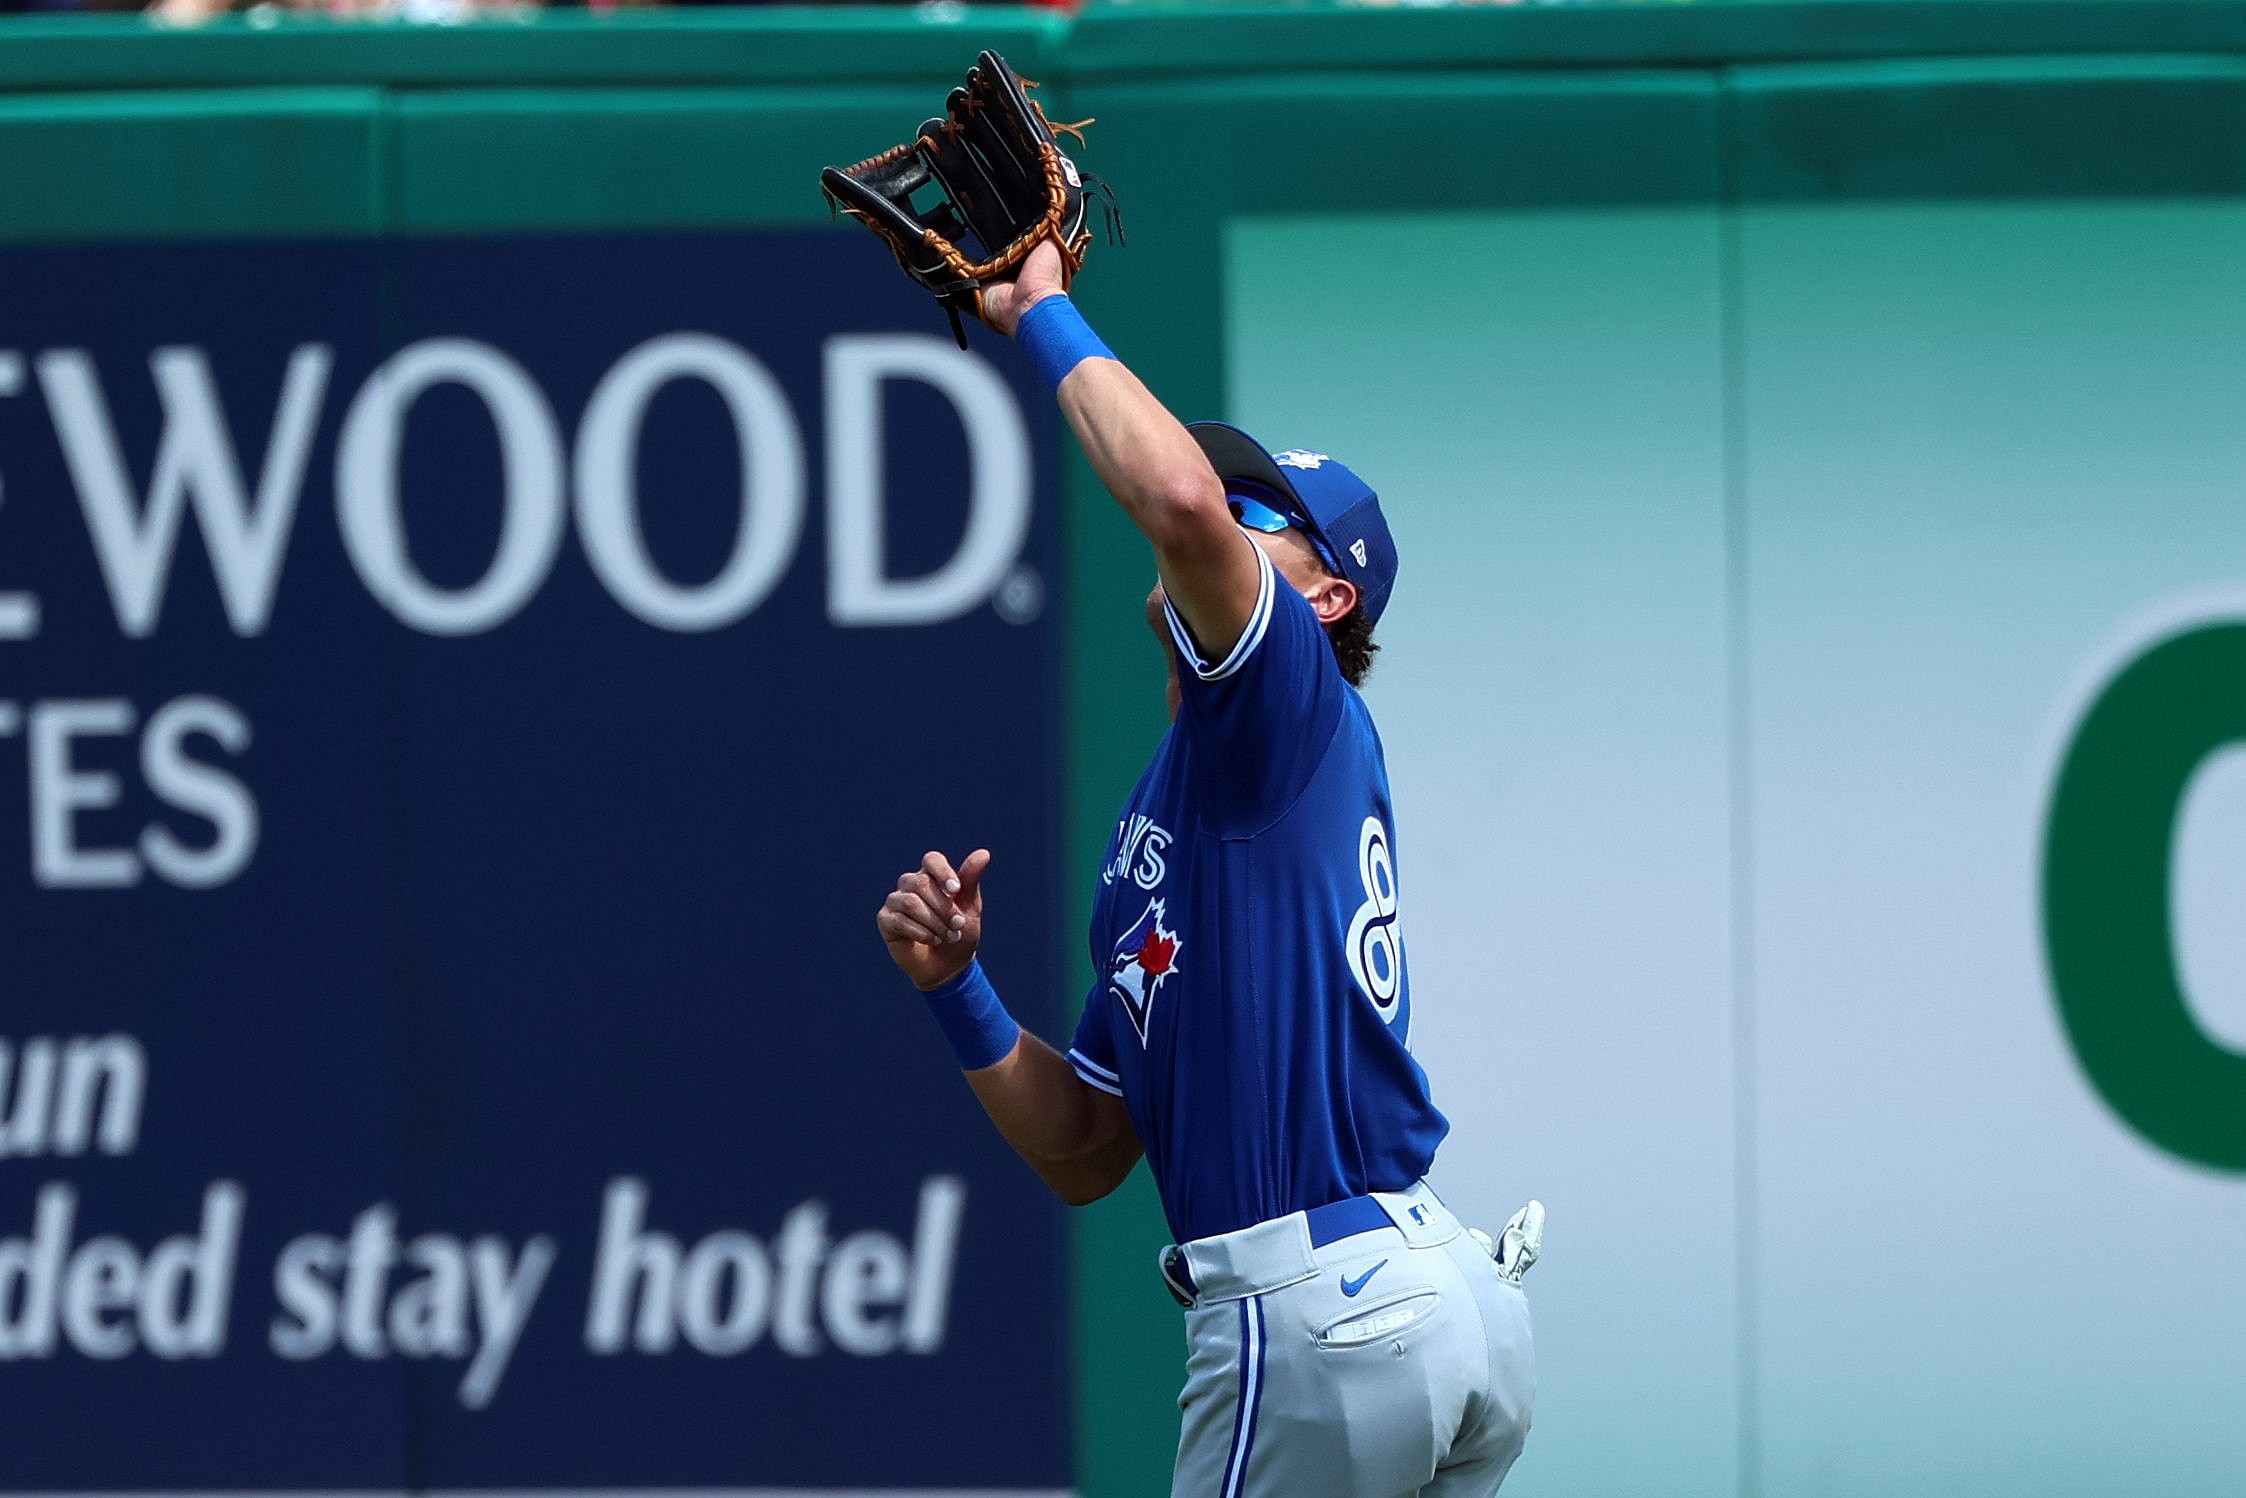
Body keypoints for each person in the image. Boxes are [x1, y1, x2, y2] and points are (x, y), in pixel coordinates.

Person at [874, 240, 1536, 1497]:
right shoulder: (1187, 808)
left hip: (1320, 1312)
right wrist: (959, 988)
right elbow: (1084, 1148)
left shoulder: (1283, 697)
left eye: (1258, 514)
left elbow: (1174, 500)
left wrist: (1042, 312)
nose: (1219, 514)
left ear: (1325, 602)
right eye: (1232, 500)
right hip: (1426, 1299)